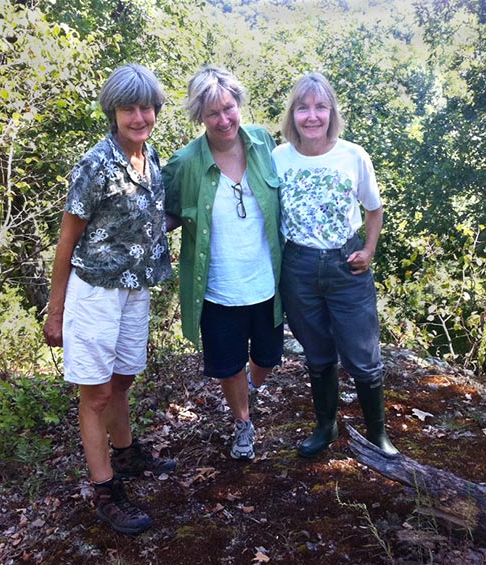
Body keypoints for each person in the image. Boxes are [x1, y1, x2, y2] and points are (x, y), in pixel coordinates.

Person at [43, 64, 175, 535]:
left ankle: (127, 454)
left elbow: (146, 220)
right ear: (113, 111)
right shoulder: (95, 164)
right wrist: (55, 312)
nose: (138, 116)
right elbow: (67, 240)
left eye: (146, 107)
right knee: (96, 393)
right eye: (128, 108)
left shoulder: (150, 157)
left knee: (122, 381)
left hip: (134, 291)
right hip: (95, 293)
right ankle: (105, 489)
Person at [272, 72, 399, 458]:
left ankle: (378, 435)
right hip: (298, 267)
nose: (312, 116)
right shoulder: (278, 158)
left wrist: (370, 251)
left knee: (363, 355)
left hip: (346, 266)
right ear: (292, 114)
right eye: (303, 108)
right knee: (317, 353)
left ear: (332, 112)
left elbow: (373, 209)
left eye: (320, 107)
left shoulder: (353, 155)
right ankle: (325, 427)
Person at [162, 65, 283, 461]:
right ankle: (243, 421)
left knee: (266, 359)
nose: (223, 119)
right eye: (212, 113)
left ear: (238, 105)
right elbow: (166, 212)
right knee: (229, 365)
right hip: (218, 288)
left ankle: (248, 384)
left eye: (228, 108)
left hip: (266, 282)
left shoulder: (263, 144)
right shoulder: (185, 163)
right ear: (199, 115)